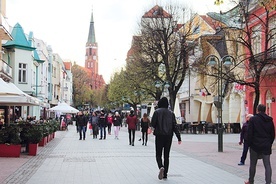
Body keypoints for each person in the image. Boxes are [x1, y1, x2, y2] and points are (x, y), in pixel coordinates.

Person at [151, 97, 182, 180]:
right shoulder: (171, 113)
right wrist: (179, 137)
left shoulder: (157, 112)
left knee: (158, 154)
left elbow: (153, 124)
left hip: (159, 135)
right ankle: (165, 174)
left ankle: (161, 167)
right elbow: (175, 126)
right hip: (169, 136)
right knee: (166, 155)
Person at [245, 104, 275, 184]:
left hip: (255, 145)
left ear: (257, 110)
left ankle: (251, 181)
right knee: (267, 165)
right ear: (265, 110)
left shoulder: (253, 119)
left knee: (253, 164)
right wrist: (269, 143)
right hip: (266, 145)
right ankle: (268, 182)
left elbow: (249, 133)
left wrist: (249, 144)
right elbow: (272, 134)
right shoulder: (269, 120)